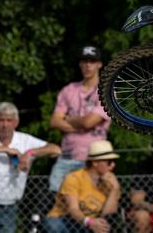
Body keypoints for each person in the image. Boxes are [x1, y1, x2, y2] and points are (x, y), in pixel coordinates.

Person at [0, 102, 61, 233]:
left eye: (9, 120)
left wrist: (30, 153)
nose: (5, 125)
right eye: (1, 120)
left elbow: (56, 150)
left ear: (16, 123)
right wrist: (5, 150)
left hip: (9, 204)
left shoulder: (25, 140)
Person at [49, 45, 111, 193]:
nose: (88, 65)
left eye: (92, 61)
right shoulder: (68, 90)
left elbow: (89, 122)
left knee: (88, 200)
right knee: (56, 195)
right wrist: (82, 123)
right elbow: (54, 121)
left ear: (99, 64)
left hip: (93, 159)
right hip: (67, 156)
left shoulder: (106, 91)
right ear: (80, 64)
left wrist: (68, 118)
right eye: (84, 61)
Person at [45, 140, 122, 233]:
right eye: (109, 162)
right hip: (65, 219)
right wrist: (90, 222)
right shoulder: (74, 178)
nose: (113, 165)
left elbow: (108, 216)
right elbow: (73, 209)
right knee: (55, 226)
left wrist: (115, 190)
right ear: (95, 162)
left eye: (114, 161)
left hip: (91, 223)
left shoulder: (110, 183)